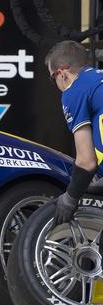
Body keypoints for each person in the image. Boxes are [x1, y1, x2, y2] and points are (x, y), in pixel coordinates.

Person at [46, 40, 103, 224]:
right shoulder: (96, 81)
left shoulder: (74, 90)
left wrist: (70, 198)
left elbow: (86, 161)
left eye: (51, 78)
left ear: (62, 74)